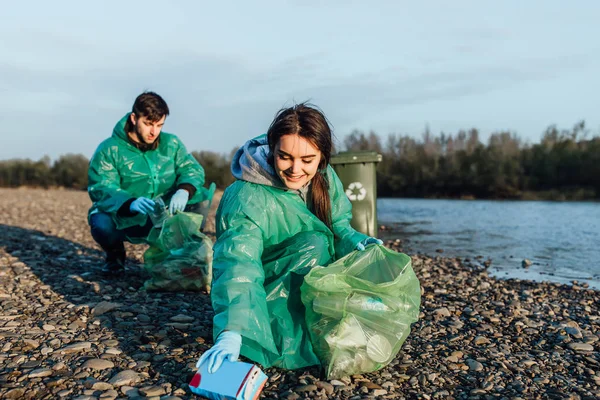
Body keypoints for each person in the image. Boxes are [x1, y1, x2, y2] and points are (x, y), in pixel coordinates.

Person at [197, 103, 383, 373]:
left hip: (313, 279)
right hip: (264, 289)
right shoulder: (245, 196)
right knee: (314, 245)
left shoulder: (325, 177)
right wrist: (233, 330)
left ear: (322, 156)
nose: (296, 169)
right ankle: (282, 334)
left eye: (308, 160)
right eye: (285, 157)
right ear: (272, 150)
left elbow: (338, 225)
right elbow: (239, 263)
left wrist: (355, 241)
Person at [87, 91, 210, 274]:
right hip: (127, 217)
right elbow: (102, 186)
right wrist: (129, 203)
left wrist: (184, 190)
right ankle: (115, 256)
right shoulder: (108, 149)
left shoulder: (172, 143)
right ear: (134, 118)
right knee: (100, 222)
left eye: (159, 125)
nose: (154, 131)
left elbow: (191, 169)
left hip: (165, 214)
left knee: (200, 198)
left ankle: (178, 258)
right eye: (148, 124)